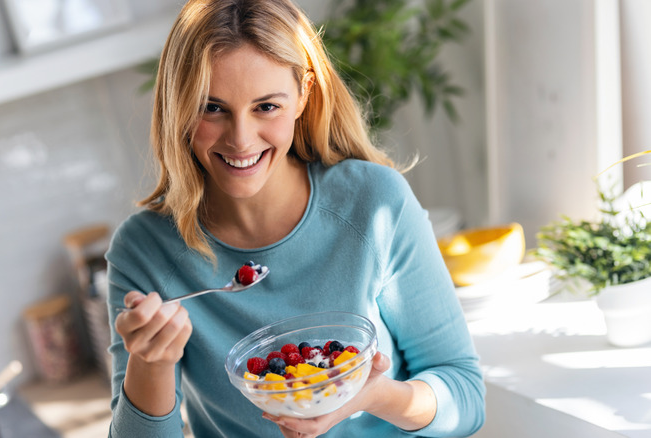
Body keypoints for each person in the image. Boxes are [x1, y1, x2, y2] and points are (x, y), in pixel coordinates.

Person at [106, 0, 486, 436]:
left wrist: (371, 395)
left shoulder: (374, 203)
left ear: (304, 93)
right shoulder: (145, 251)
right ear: (178, 106)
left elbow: (466, 398)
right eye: (212, 108)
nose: (241, 139)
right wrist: (150, 363)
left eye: (266, 106)